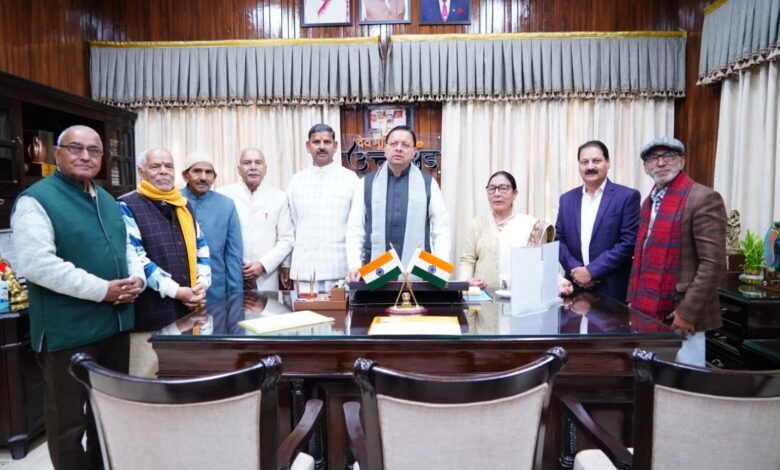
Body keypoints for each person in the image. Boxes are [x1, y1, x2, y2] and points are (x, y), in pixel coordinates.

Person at [10, 125, 145, 469]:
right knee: (67, 424)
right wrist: (103, 290)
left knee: (108, 414)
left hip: (115, 327)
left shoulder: (108, 200)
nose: (85, 156)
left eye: (94, 150)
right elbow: (37, 265)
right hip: (67, 333)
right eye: (75, 147)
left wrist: (137, 279)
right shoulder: (36, 200)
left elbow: (128, 248)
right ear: (57, 153)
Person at [629, 137, 727, 367]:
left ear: (682, 161)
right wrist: (631, 299)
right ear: (646, 167)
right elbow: (640, 255)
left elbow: (713, 264)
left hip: (682, 316)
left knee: (684, 381)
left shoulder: (703, 198)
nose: (661, 162)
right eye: (653, 158)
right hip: (647, 311)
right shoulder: (648, 203)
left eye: (669, 155)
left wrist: (687, 312)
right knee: (651, 377)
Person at [119, 147, 211, 377]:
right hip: (149, 318)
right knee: (147, 383)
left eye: (168, 166)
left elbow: (201, 247)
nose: (163, 171)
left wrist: (202, 283)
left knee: (184, 380)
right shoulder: (126, 205)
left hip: (187, 314)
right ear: (141, 172)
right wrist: (177, 291)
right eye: (155, 166)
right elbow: (136, 258)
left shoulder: (183, 205)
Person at [346, 125, 451, 281]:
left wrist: (439, 266)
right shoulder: (366, 184)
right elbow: (355, 229)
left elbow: (441, 228)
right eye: (394, 143)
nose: (399, 148)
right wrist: (354, 264)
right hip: (373, 271)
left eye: (405, 145)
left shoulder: (428, 183)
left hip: (419, 272)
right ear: (385, 148)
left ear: (414, 151)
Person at [457, 171, 573, 295]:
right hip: (483, 298)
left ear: (514, 193)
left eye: (503, 188)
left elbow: (543, 262)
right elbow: (467, 260)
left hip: (521, 298)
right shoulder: (477, 224)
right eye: (492, 189)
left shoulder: (532, 226)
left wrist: (559, 282)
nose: (497, 193)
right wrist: (467, 281)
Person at [555, 140, 640, 302]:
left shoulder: (627, 197)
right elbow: (558, 240)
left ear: (608, 162)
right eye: (584, 162)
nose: (590, 166)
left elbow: (629, 242)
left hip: (611, 288)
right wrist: (576, 270)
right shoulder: (567, 199)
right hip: (574, 287)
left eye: (596, 161)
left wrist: (592, 271)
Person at [286, 124, 358, 292]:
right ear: (308, 146)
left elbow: (356, 227)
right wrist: (286, 264)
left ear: (335, 146)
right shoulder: (296, 181)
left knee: (339, 310)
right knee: (303, 310)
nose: (322, 146)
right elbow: (292, 225)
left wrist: (356, 264)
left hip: (339, 270)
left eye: (327, 142)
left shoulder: (350, 179)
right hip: (304, 272)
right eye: (316, 142)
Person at [219, 148, 294, 290]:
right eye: (247, 163)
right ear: (239, 169)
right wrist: (234, 266)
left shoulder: (279, 197)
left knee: (267, 304)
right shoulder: (223, 195)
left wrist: (263, 264)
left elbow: (287, 239)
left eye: (258, 162)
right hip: (231, 274)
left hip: (266, 275)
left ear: (265, 169)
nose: (253, 167)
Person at [181, 151, 244, 304]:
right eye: (197, 171)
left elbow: (233, 255)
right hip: (179, 290)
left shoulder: (226, 205)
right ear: (185, 175)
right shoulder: (172, 201)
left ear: (214, 177)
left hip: (216, 291)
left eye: (209, 172)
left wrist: (236, 296)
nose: (203, 177)